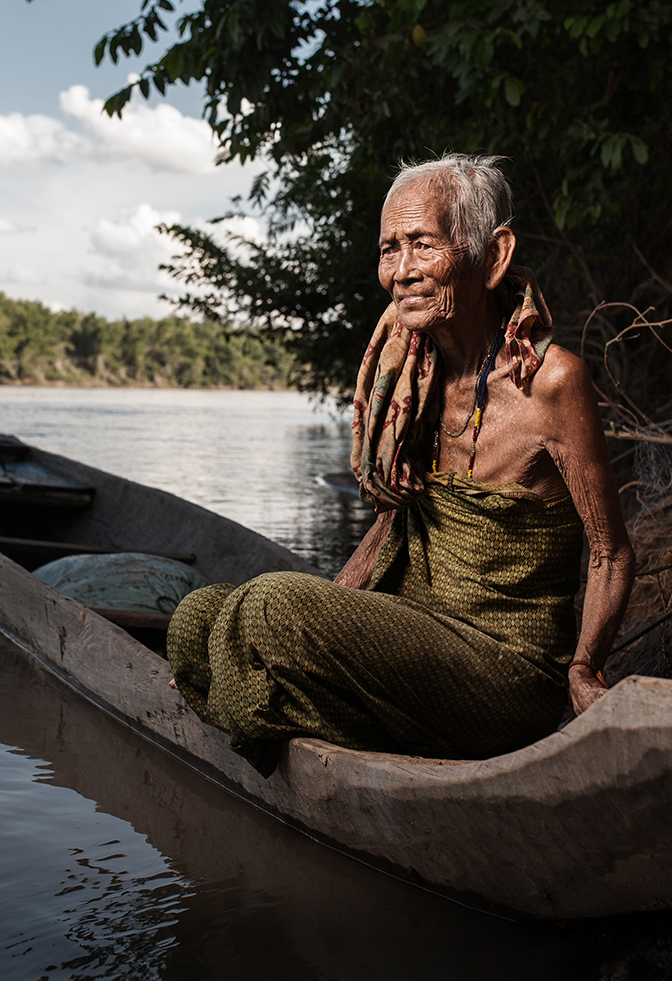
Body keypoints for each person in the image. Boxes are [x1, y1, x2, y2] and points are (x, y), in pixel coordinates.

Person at [166, 154, 636, 775]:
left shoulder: (552, 382)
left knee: (270, 609)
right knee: (195, 619)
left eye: (422, 245)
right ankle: (315, 703)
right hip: (416, 636)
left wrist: (584, 668)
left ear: (493, 258)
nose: (402, 272)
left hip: (505, 669)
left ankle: (281, 699)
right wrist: (328, 612)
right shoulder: (412, 374)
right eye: (390, 250)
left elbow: (610, 552)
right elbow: (398, 522)